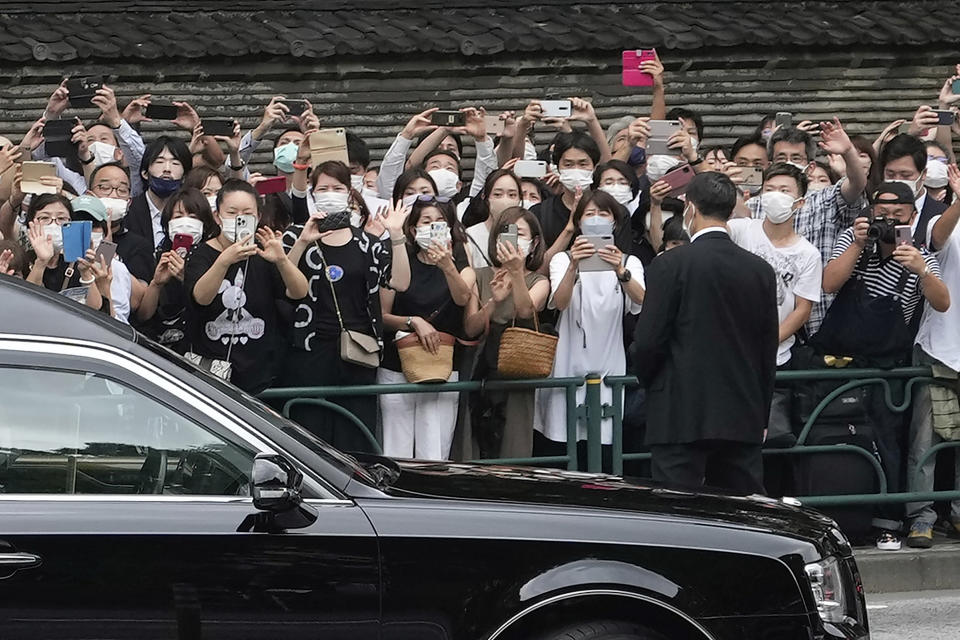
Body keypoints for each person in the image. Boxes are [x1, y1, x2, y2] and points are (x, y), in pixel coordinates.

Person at [632, 172, 779, 495]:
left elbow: (648, 342)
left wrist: (651, 383)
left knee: (678, 514)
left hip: (678, 410)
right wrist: (762, 413)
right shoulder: (760, 270)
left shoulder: (669, 264)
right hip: (742, 412)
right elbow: (767, 349)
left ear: (690, 208)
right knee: (744, 513)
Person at [280, 165, 411, 453]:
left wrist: (396, 235)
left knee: (355, 437)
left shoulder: (368, 242)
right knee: (311, 435)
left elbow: (400, 282)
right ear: (312, 194)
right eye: (323, 189)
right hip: (309, 350)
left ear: (350, 193)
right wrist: (303, 242)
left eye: (337, 189)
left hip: (358, 350)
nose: (330, 194)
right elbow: (286, 287)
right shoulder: (295, 235)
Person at [535, 191, 645, 453]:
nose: (596, 219)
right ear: (579, 221)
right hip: (567, 362)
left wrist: (620, 271)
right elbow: (560, 303)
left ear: (615, 222)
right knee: (562, 442)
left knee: (603, 445)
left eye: (603, 214)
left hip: (609, 364)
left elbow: (642, 302)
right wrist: (575, 265)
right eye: (590, 214)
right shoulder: (563, 260)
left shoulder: (630, 262)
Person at [728, 164, 822, 454]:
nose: (775, 196)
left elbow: (802, 308)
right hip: (729, 353)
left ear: (800, 201)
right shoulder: (740, 230)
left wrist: (768, 341)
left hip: (776, 358)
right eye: (770, 189)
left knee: (769, 442)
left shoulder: (807, 254)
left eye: (784, 191)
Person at [184, 179, 308, 394]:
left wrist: (281, 260)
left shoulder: (264, 252)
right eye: (232, 212)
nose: (239, 218)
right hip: (212, 371)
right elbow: (200, 298)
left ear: (258, 217)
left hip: (260, 374)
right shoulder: (201, 254)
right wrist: (224, 261)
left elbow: (298, 293)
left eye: (247, 213)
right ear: (217, 216)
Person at [748, 119, 869, 335]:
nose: (789, 163)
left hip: (817, 321)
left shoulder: (827, 199)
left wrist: (848, 151)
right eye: (781, 158)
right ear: (769, 163)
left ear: (810, 165)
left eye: (796, 158)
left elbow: (857, 184)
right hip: (761, 321)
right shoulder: (754, 205)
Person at [377, 196, 475, 460]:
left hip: (440, 368)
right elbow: (382, 314)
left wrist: (447, 265)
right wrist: (413, 321)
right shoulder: (400, 261)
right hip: (396, 365)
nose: (432, 227)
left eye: (440, 222)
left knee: (435, 451)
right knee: (396, 450)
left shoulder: (461, 264)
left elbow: (463, 298)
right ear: (413, 229)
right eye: (426, 221)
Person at [464, 207, 550, 458]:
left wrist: (516, 273)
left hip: (519, 365)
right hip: (480, 368)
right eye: (507, 232)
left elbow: (527, 310)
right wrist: (494, 302)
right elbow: (470, 327)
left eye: (519, 233)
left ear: (533, 243)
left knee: (514, 442)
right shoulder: (479, 276)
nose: (512, 238)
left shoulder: (539, 280)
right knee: (474, 441)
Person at [907, 164, 960, 548]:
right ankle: (920, 517)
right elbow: (937, 239)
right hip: (938, 346)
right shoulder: (943, 220)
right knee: (925, 441)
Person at [137, 187, 218, 353]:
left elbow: (213, 309)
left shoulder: (213, 257)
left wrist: (186, 279)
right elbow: (143, 316)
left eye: (193, 217)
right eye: (179, 216)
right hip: (160, 347)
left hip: (200, 345)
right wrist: (156, 284)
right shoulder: (158, 255)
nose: (186, 222)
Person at [88, 161, 156, 283]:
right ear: (90, 196)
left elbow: (141, 298)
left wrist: (107, 251)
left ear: (129, 202)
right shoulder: (75, 235)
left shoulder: (139, 246)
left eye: (122, 190)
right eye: (105, 188)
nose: (114, 195)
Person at [126, 137, 193, 248]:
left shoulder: (191, 214)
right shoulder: (128, 211)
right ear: (145, 173)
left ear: (185, 176)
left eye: (175, 163)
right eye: (160, 162)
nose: (167, 169)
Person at [464, 170, 522, 268]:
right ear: (485, 197)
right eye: (497, 194)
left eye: (512, 195)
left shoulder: (526, 233)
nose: (505, 200)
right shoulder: (471, 235)